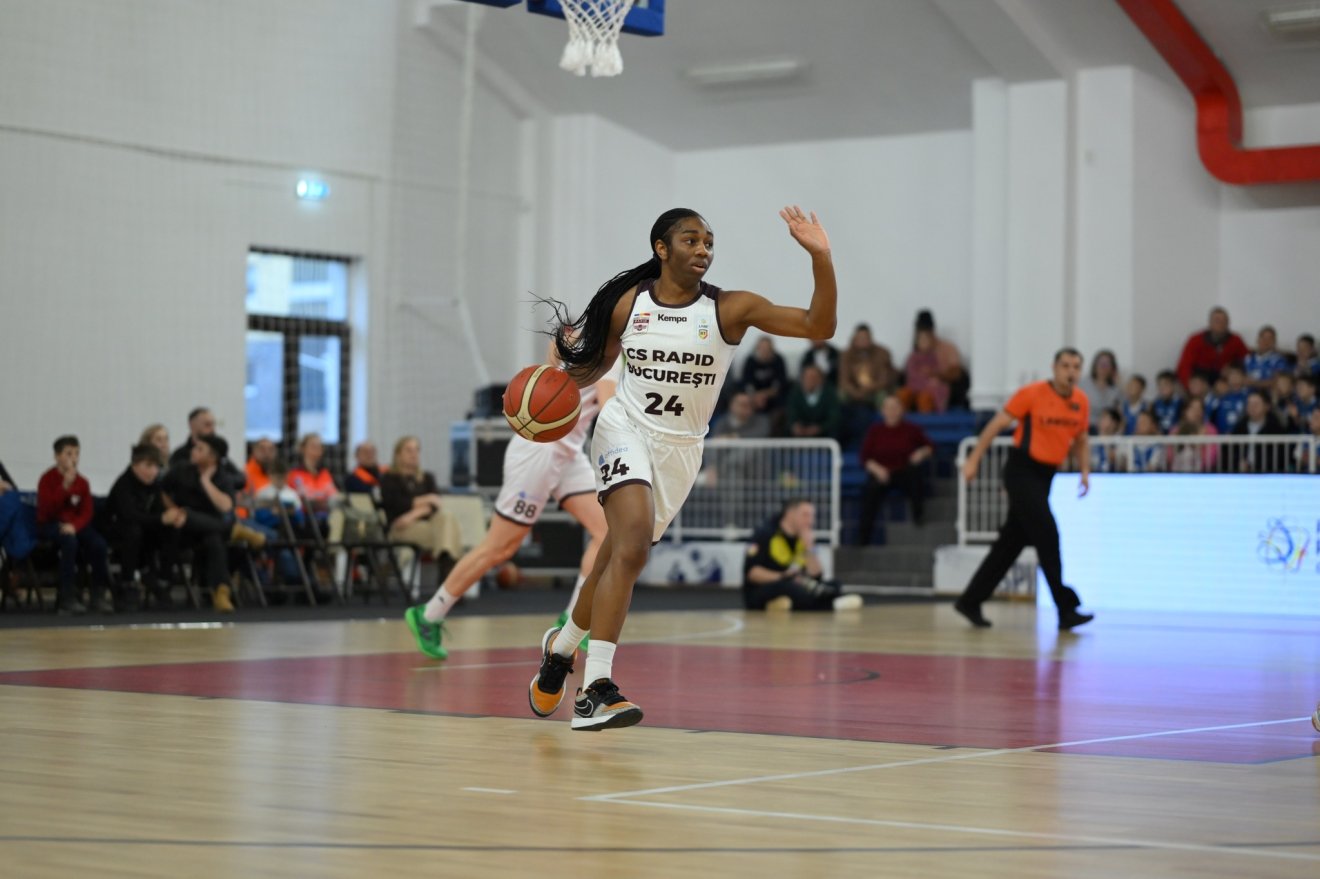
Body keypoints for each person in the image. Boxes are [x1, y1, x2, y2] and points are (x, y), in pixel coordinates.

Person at [531, 205, 837, 732]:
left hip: (681, 450)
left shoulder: (730, 309)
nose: (703, 250)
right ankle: (595, 689)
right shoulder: (630, 304)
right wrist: (541, 395)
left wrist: (821, 257)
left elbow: (820, 325)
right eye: (691, 240)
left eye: (708, 242)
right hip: (624, 429)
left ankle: (560, 650)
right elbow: (593, 369)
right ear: (662, 248)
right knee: (630, 548)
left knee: (614, 558)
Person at [405, 359, 620, 660]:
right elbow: (609, 409)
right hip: (539, 451)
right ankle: (429, 614)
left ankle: (572, 622)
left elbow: (553, 354)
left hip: (567, 451)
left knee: (608, 532)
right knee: (499, 547)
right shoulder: (614, 353)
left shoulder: (591, 339)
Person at [953, 349, 1094, 631]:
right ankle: (1065, 608)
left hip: (1046, 476)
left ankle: (970, 600)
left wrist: (1085, 471)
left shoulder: (1080, 401)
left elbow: (1081, 439)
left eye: (1076, 366)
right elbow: (996, 425)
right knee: (1048, 533)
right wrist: (974, 459)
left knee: (1010, 544)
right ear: (1054, 367)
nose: (1071, 371)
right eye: (1065, 365)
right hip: (1021, 471)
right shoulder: (1032, 394)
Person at [161, 433, 242, 612]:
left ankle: (220, 592)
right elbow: (162, 490)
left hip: (207, 531)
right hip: (182, 531)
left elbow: (226, 507)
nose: (193, 451)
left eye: (199, 449)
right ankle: (232, 530)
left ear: (212, 457)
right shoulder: (181, 469)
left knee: (213, 538)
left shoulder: (222, 477)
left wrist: (205, 481)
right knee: (195, 523)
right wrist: (173, 509)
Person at [36, 435, 113, 614]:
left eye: (77, 454)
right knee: (69, 542)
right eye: (68, 453)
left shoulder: (82, 482)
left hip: (74, 524)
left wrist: (75, 526)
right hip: (51, 524)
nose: (73, 458)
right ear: (57, 456)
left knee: (99, 544)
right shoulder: (47, 479)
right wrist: (64, 488)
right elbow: (46, 511)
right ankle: (67, 596)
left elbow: (86, 512)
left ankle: (97, 593)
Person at [743, 499, 861, 612]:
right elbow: (752, 574)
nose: (810, 521)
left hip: (796, 584)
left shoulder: (804, 536)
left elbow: (816, 576)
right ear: (790, 514)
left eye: (812, 516)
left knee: (834, 585)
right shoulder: (764, 533)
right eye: (805, 515)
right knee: (790, 588)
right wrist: (784, 576)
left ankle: (780, 605)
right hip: (764, 588)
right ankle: (832, 605)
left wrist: (810, 547)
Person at [379, 436, 465, 585]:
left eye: (417, 450)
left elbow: (436, 504)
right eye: (409, 450)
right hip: (400, 528)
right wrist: (427, 499)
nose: (414, 454)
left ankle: (445, 568)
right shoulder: (389, 478)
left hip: (422, 524)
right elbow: (396, 504)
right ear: (398, 454)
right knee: (449, 533)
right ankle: (448, 575)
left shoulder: (427, 477)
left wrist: (412, 514)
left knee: (446, 517)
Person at [101, 443, 175, 606]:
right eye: (148, 466)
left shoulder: (154, 485)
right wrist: (161, 519)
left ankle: (162, 578)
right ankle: (127, 581)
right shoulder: (123, 485)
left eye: (156, 466)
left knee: (170, 530)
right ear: (135, 464)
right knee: (134, 531)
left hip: (142, 529)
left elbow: (157, 511)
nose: (153, 471)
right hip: (117, 530)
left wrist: (169, 518)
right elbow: (129, 516)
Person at [856, 396, 934, 543]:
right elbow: (864, 457)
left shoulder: (911, 429)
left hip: (904, 471)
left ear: (901, 410)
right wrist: (877, 469)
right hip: (881, 473)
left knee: (915, 475)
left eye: (895, 408)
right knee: (870, 490)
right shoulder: (875, 430)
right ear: (883, 411)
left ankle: (918, 517)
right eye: (888, 408)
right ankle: (863, 538)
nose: (892, 411)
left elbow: (930, 446)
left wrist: (921, 453)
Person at [1176, 306, 1249, 390]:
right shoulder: (1195, 340)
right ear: (1210, 322)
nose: (1220, 324)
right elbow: (1184, 367)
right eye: (1217, 321)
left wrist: (1232, 368)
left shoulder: (1236, 341)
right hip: (1200, 381)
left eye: (1224, 321)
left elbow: (1247, 361)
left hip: (1224, 382)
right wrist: (1190, 385)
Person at [914, 310, 969, 410]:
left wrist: (936, 375)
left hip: (945, 388)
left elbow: (956, 373)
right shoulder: (915, 354)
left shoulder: (947, 348)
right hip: (921, 390)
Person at [838, 323, 896, 410]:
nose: (863, 341)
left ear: (871, 339)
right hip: (854, 390)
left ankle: (883, 417)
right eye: (860, 338)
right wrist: (855, 392)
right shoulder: (846, 355)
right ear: (854, 339)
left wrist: (868, 389)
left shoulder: (882, 353)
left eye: (865, 338)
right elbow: (844, 380)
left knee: (882, 395)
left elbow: (884, 380)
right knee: (841, 395)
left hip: (874, 390)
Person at [1229, 390, 1288, 473]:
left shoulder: (1276, 429)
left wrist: (1256, 467)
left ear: (1267, 406)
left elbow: (1279, 456)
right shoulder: (1239, 427)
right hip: (1241, 474)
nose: (1252, 407)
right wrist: (1239, 463)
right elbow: (1232, 452)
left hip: (1268, 474)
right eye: (1249, 404)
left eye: (1256, 404)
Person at [739, 336, 789, 428]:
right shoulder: (750, 361)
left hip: (773, 398)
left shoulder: (778, 360)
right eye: (762, 348)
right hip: (753, 397)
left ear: (772, 349)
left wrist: (763, 395)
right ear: (757, 348)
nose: (765, 351)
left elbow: (779, 385)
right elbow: (746, 383)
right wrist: (756, 397)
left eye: (767, 349)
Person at [897, 325, 949, 413]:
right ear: (917, 342)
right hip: (914, 385)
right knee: (903, 395)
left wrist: (932, 375)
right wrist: (927, 380)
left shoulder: (933, 357)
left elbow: (937, 372)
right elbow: (912, 375)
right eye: (922, 340)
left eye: (927, 340)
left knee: (925, 398)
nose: (924, 343)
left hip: (928, 389)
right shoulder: (912, 357)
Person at [786, 363, 841, 440]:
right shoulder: (795, 392)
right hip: (801, 433)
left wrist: (820, 428)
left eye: (813, 378)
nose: (809, 381)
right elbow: (791, 413)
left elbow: (834, 417)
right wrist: (795, 425)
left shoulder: (829, 393)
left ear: (821, 380)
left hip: (824, 434)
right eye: (806, 378)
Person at [1169, 397, 1218, 473]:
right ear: (1185, 411)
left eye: (1199, 409)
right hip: (1179, 472)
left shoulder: (1211, 430)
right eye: (1192, 408)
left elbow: (1211, 458)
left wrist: (1199, 446)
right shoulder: (1176, 430)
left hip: (1203, 473)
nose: (1196, 412)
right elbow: (1169, 456)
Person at [1079, 349, 1121, 429]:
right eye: (1101, 363)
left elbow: (1118, 414)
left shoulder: (1115, 390)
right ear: (1095, 365)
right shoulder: (1083, 384)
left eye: (1107, 364)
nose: (1103, 367)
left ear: (1112, 368)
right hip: (1085, 427)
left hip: (1107, 430)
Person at [1244, 325, 1289, 391]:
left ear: (1274, 342)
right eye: (1263, 338)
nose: (1266, 341)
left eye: (1269, 339)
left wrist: (1255, 383)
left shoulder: (1279, 360)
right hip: (1245, 393)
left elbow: (1277, 382)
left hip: (1266, 395)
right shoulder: (1248, 358)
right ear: (1257, 339)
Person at [1090, 407, 1127, 474]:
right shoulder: (1092, 442)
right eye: (1101, 417)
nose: (1101, 420)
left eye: (1104, 418)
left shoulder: (1120, 442)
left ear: (1114, 423)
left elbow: (1124, 465)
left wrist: (1116, 458)